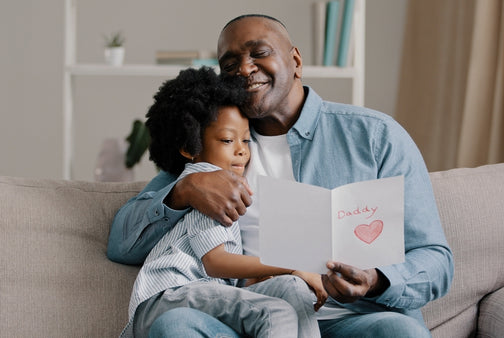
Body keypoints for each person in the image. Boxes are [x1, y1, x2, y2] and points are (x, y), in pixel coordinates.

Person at [108, 14, 454, 337]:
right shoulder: (214, 147)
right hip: (248, 319)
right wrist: (184, 190)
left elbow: (435, 258)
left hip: (354, 318)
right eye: (229, 64)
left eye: (259, 52)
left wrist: (375, 280)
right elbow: (122, 243)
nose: (244, 68)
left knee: (400, 332)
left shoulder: (375, 137)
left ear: (296, 61)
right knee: (176, 323)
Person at [120, 67, 326, 338]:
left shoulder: (227, 187)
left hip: (199, 295)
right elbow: (215, 262)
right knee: (276, 311)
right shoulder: (207, 182)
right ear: (190, 147)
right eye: (228, 140)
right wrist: (291, 264)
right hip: (169, 295)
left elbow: (225, 275)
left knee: (294, 289)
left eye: (246, 140)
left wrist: (274, 277)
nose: (241, 150)